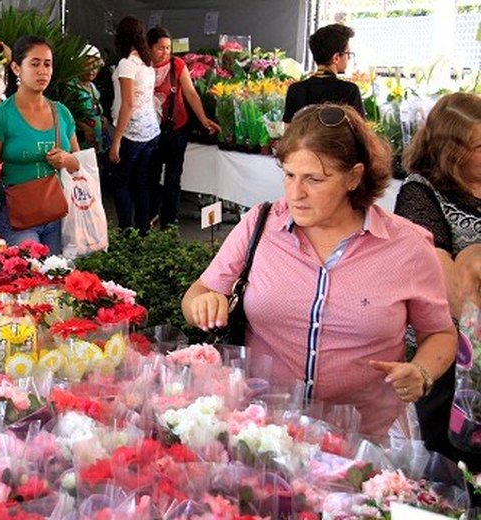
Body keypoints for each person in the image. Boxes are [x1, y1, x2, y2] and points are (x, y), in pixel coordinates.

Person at [182, 104, 457, 440]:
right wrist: (203, 304)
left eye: (314, 179)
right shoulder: (260, 224)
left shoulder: (408, 247)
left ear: (354, 177)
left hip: (364, 441)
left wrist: (422, 372)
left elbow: (440, 334)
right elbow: (197, 294)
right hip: (260, 431)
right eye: (289, 175)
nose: (296, 193)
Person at [395, 92, 481, 467]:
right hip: (452, 351)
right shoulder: (421, 193)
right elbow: (450, 288)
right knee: (451, 458)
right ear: (451, 150)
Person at [0, 35, 80, 254]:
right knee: (27, 278)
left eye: (47, 64)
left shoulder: (61, 112)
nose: (42, 71)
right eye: (34, 64)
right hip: (18, 218)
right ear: (16, 68)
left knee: (58, 281)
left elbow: (79, 164)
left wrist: (67, 159)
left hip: (58, 214)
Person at [146, 26, 221, 228]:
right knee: (151, 176)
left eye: (168, 48)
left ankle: (169, 222)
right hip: (150, 133)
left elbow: (191, 94)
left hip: (177, 129)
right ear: (149, 48)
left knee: (173, 178)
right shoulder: (142, 67)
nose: (165, 52)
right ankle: (150, 215)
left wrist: (204, 119)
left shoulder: (177, 65)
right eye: (160, 48)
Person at [110, 16, 160, 233]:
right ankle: (143, 230)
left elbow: (128, 104)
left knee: (120, 183)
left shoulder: (127, 64)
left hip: (133, 132)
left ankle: (125, 230)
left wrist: (116, 140)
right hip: (151, 131)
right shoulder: (147, 63)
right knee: (141, 182)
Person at [282, 24, 364, 124]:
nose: (349, 58)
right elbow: (360, 132)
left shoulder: (295, 90)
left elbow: (288, 133)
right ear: (336, 58)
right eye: (348, 54)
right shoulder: (350, 91)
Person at [73, 44, 107, 154]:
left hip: (95, 140)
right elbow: (68, 115)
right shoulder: (71, 86)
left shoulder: (92, 86)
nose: (92, 70)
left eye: (95, 66)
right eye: (88, 65)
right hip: (79, 142)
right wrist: (85, 128)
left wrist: (102, 118)